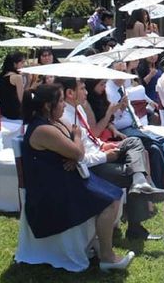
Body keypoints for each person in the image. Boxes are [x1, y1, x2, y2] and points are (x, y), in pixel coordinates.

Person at [21, 83, 134, 270]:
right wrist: (76, 140)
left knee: (113, 193)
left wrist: (73, 150)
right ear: (48, 106)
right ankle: (107, 257)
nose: (64, 106)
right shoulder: (42, 129)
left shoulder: (54, 122)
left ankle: (98, 244)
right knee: (111, 200)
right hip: (51, 190)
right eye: (60, 102)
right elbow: (78, 150)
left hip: (66, 178)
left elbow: (74, 151)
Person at [58, 77, 164, 241]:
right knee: (132, 173)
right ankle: (136, 227)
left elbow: (89, 138)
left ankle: (139, 181)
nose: (86, 92)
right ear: (70, 93)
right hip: (91, 166)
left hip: (99, 152)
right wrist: (105, 155)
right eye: (82, 89)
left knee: (134, 142)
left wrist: (103, 145)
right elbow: (79, 156)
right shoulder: (65, 117)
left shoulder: (78, 109)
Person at [101, 66, 164, 188]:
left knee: (159, 145)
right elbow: (109, 119)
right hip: (121, 130)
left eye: (124, 71)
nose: (124, 74)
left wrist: (138, 124)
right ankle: (162, 185)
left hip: (134, 126)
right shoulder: (108, 92)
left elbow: (132, 111)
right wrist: (119, 109)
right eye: (120, 71)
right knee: (155, 146)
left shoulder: (121, 88)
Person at [0, 52, 26, 121]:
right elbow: (22, 99)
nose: (24, 65)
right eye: (22, 63)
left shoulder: (1, 76)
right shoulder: (17, 77)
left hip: (3, 110)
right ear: (14, 64)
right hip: (14, 113)